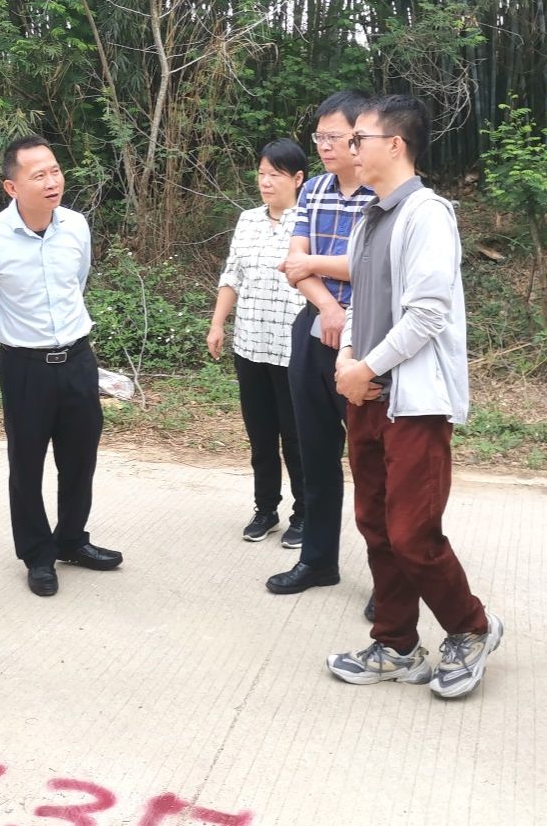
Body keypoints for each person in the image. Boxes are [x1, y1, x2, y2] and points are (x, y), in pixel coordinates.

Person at [326, 94, 503, 700]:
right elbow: (359, 303)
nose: (350, 149)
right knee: (375, 526)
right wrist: (349, 360)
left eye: (359, 140)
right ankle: (396, 644)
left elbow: (427, 313)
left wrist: (366, 366)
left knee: (412, 533)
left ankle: (472, 628)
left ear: (394, 145)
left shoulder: (427, 215)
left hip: (413, 403)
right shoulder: (369, 217)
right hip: (367, 394)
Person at [0, 135, 121, 598]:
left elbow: (78, 280)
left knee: (80, 457)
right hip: (25, 367)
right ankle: (37, 555)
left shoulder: (76, 226)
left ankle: (72, 539)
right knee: (27, 463)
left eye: (55, 170)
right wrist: (21, 342)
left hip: (78, 359)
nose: (53, 181)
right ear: (12, 187)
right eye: (39, 175)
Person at [266, 91, 376, 607]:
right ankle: (317, 560)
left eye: (334, 137)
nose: (324, 146)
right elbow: (294, 263)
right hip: (314, 326)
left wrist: (315, 267)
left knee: (374, 460)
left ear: (361, 137)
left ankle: (389, 578)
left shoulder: (382, 193)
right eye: (320, 137)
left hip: (369, 336)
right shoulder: (313, 190)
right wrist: (328, 305)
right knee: (314, 451)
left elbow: (373, 267)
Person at [207, 139, 308, 541]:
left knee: (296, 438)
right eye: (262, 174)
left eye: (275, 175)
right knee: (261, 436)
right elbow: (233, 274)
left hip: (293, 349)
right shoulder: (248, 220)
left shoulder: (309, 222)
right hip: (250, 345)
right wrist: (218, 324)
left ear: (297, 179)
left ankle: (305, 514)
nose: (265, 182)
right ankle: (265, 509)